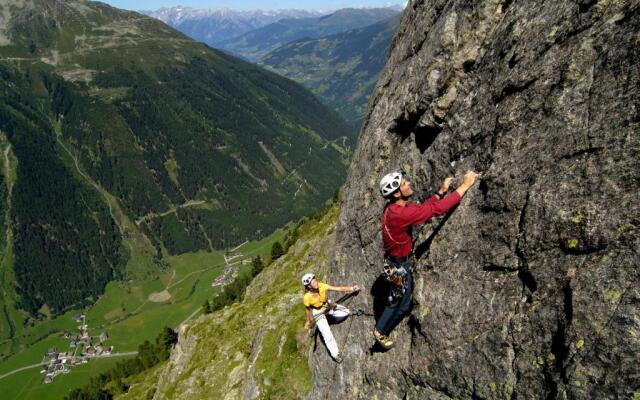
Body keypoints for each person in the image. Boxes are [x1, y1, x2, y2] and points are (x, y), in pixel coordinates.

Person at [374, 170, 479, 349]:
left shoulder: (394, 208)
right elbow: (436, 210)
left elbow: (422, 209)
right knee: (400, 302)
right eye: (404, 183)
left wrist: (440, 192)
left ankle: (388, 319)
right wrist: (464, 186)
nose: (409, 183)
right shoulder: (401, 214)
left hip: (395, 262)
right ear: (397, 193)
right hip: (399, 266)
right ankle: (380, 331)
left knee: (401, 300)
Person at [302, 273, 360, 363]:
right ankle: (336, 354)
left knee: (346, 313)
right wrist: (308, 321)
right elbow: (308, 310)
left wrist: (352, 288)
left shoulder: (322, 286)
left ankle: (331, 317)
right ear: (309, 286)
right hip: (318, 312)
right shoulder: (307, 297)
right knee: (327, 334)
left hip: (327, 305)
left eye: (315, 280)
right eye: (313, 282)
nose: (315, 282)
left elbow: (338, 289)